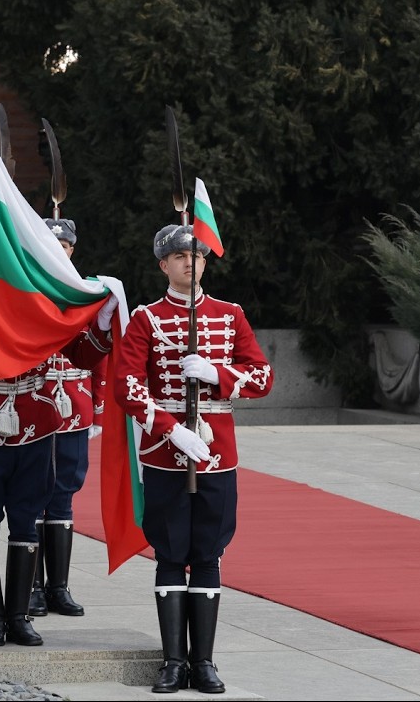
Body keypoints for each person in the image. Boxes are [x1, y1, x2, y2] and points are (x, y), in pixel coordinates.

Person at [113, 224, 274, 694]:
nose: (190, 262)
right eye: (179, 256)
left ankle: (203, 662)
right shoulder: (146, 318)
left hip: (217, 454)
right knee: (169, 553)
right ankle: (172, 662)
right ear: (163, 265)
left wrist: (217, 372)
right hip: (166, 455)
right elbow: (127, 385)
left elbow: (263, 377)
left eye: (197, 256)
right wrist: (170, 429)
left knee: (208, 553)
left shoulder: (231, 314)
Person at [0, 290, 116, 648]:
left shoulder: (41, 309)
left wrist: (101, 321)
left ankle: (19, 617)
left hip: (37, 426)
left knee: (27, 520)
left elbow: (82, 355)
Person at [29, 217, 102, 618]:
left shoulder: (89, 292)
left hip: (75, 405)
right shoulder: (28, 287)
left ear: (73, 249)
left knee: (64, 496)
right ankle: (34, 587)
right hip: (35, 407)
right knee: (34, 496)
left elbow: (101, 352)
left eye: (66, 246)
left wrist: (100, 408)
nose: (60, 251)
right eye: (52, 244)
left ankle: (59, 586)